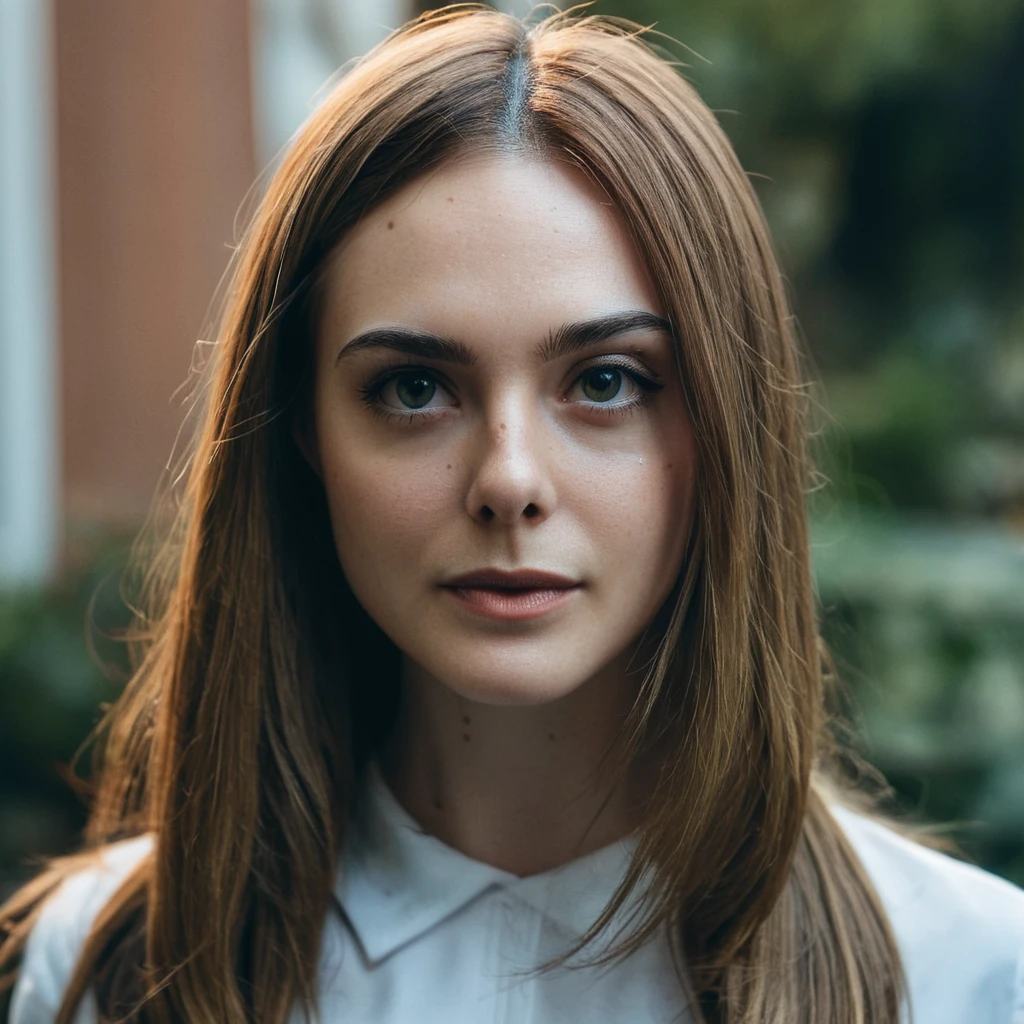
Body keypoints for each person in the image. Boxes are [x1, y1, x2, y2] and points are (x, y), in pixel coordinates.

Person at [2, 6, 1022, 1023]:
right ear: (299, 429)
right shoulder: (113, 974)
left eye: (608, 380)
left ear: (724, 423)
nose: (509, 479)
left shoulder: (967, 978)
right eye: (413, 389)